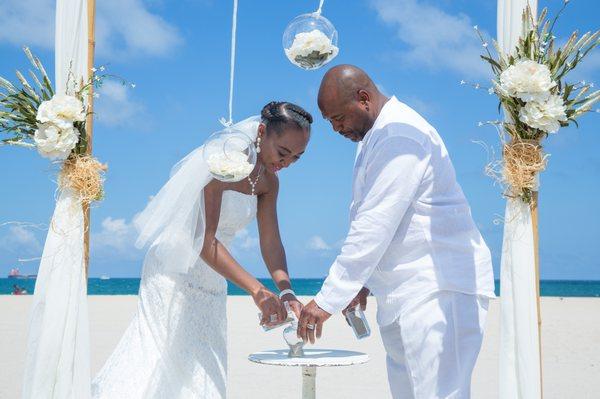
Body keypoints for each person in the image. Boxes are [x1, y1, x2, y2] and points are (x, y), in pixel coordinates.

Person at [298, 65, 495, 398]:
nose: (336, 128)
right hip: (405, 293)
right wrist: (360, 283)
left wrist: (327, 300)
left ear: (363, 99)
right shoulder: (376, 137)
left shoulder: (401, 135)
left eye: (337, 118)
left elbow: (375, 223)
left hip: (437, 287)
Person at [92, 102, 313, 398]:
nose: (285, 163)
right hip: (173, 271)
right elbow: (202, 240)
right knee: (158, 360)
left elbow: (271, 243)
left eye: (296, 158)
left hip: (214, 277)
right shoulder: (223, 163)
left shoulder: (269, 182)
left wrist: (286, 292)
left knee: (203, 371)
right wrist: (257, 291)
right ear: (261, 132)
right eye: (282, 153)